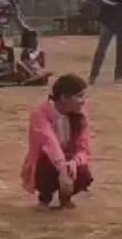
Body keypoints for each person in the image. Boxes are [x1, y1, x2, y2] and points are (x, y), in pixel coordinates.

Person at [20, 73, 92, 209]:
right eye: (79, 97)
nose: (83, 101)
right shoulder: (40, 113)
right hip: (47, 161)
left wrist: (74, 163)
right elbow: (49, 143)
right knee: (46, 163)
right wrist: (63, 170)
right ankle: (45, 196)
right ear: (64, 97)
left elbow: (84, 147)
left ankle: (65, 198)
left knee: (82, 171)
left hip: (68, 160)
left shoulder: (80, 115)